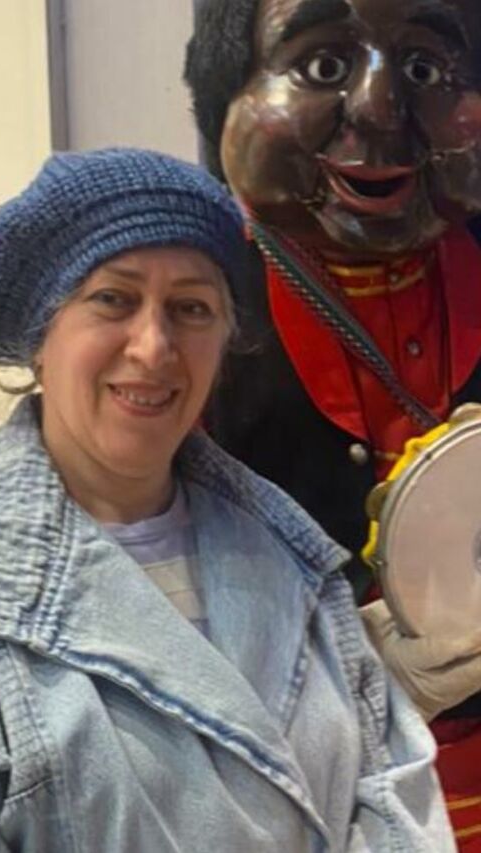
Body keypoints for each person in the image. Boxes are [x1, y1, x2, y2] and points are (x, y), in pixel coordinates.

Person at [0, 148, 454, 851]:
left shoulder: (295, 558)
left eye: (192, 308)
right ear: (41, 334)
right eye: (114, 298)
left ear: (225, 338)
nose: (154, 346)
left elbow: (391, 795)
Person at [184, 0, 481, 845]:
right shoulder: (199, 309)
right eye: (322, 66)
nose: (380, 110)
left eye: (425, 69)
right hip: (313, 793)